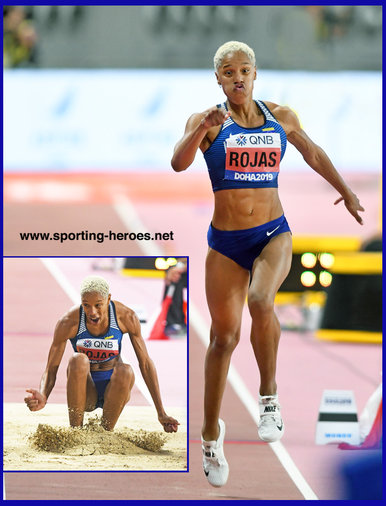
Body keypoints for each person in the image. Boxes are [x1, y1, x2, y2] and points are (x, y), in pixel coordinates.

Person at [171, 40, 364, 487]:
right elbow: (179, 163)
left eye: (244, 70)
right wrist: (201, 128)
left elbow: (312, 153)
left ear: (255, 74)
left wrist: (346, 190)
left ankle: (269, 395)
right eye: (227, 72)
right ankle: (209, 439)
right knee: (223, 339)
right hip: (226, 244)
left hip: (273, 234)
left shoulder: (281, 117)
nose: (237, 77)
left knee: (262, 299)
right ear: (217, 78)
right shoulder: (208, 122)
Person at [24, 275, 179, 433]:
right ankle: (75, 433)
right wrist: (43, 395)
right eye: (86, 305)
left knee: (126, 370)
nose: (92, 312)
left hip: (113, 392)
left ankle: (105, 433)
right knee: (78, 359)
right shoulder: (68, 322)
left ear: (108, 299)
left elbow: (145, 363)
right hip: (85, 394)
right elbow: (51, 368)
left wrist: (161, 412)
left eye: (98, 305)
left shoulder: (126, 317)